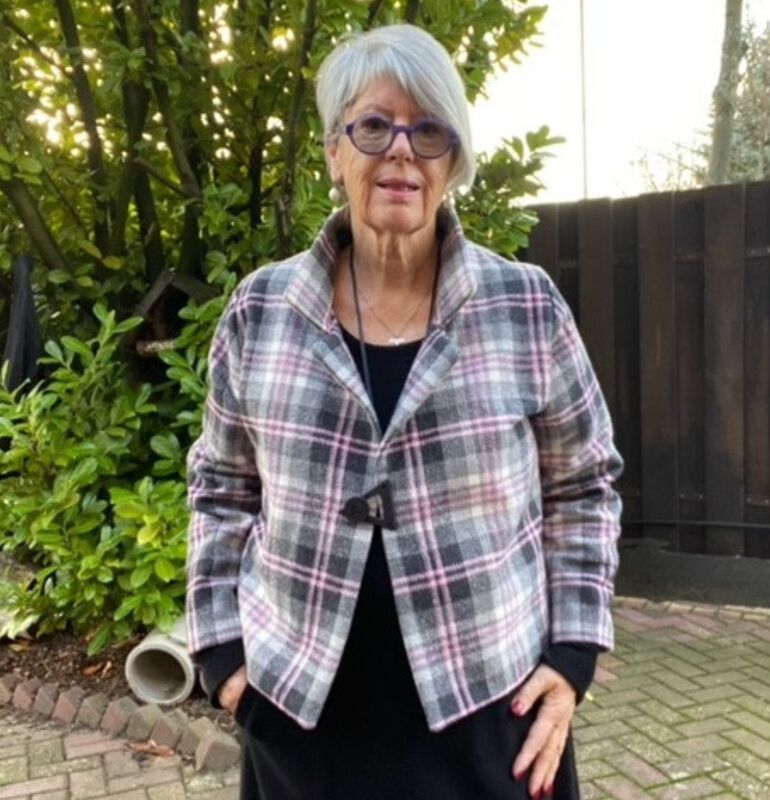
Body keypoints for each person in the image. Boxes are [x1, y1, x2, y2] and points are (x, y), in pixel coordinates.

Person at [185, 23, 623, 800]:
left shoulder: (523, 307)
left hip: (491, 716)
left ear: (452, 159)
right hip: (301, 719)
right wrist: (223, 656)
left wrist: (573, 656)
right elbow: (220, 487)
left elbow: (583, 485)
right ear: (334, 151)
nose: (401, 151)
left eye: (428, 131)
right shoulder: (262, 310)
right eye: (373, 126)